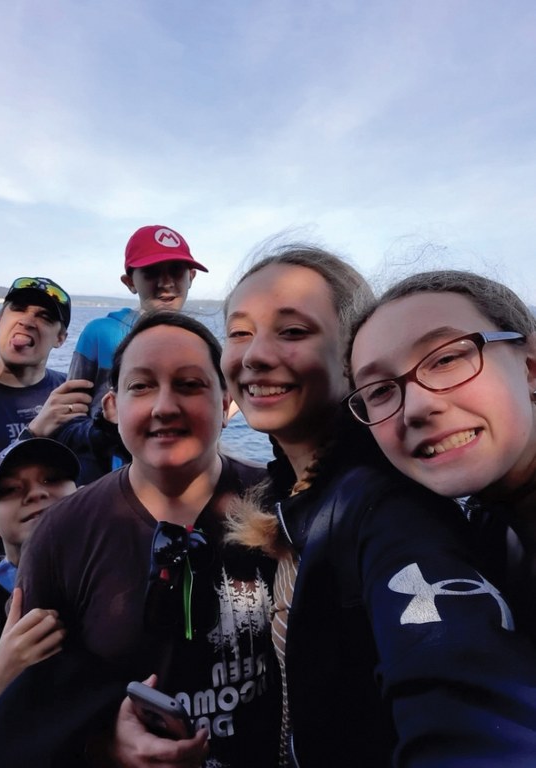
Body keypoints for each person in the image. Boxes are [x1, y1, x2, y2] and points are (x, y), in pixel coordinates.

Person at [220, 243, 536, 767]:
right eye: (237, 332)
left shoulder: (384, 508)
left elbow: (456, 671)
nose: (420, 404)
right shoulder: (294, 500)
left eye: (449, 358)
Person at [0, 311, 279, 768]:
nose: (164, 406)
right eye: (141, 386)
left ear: (227, 403)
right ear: (112, 408)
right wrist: (100, 744)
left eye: (190, 385)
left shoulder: (281, 506)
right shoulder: (63, 534)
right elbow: (36, 709)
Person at [345, 269, 536, 636]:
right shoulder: (490, 524)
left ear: (530, 366)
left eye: (446, 360)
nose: (415, 407)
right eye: (380, 391)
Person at [57, 225, 209, 484]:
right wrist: (107, 435)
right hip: (106, 482)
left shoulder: (197, 342)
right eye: (151, 272)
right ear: (129, 283)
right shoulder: (100, 333)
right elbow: (68, 421)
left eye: (176, 270)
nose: (166, 283)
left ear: (191, 277)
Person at [0, 437, 78, 747]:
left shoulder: (119, 573)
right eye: (10, 489)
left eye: (52, 479)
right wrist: (3, 673)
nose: (37, 493)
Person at [0, 277, 92, 551]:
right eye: (19, 308)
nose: (28, 321)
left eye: (44, 316)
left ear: (61, 338)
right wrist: (33, 432)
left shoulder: (76, 393)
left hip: (80, 557)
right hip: (8, 568)